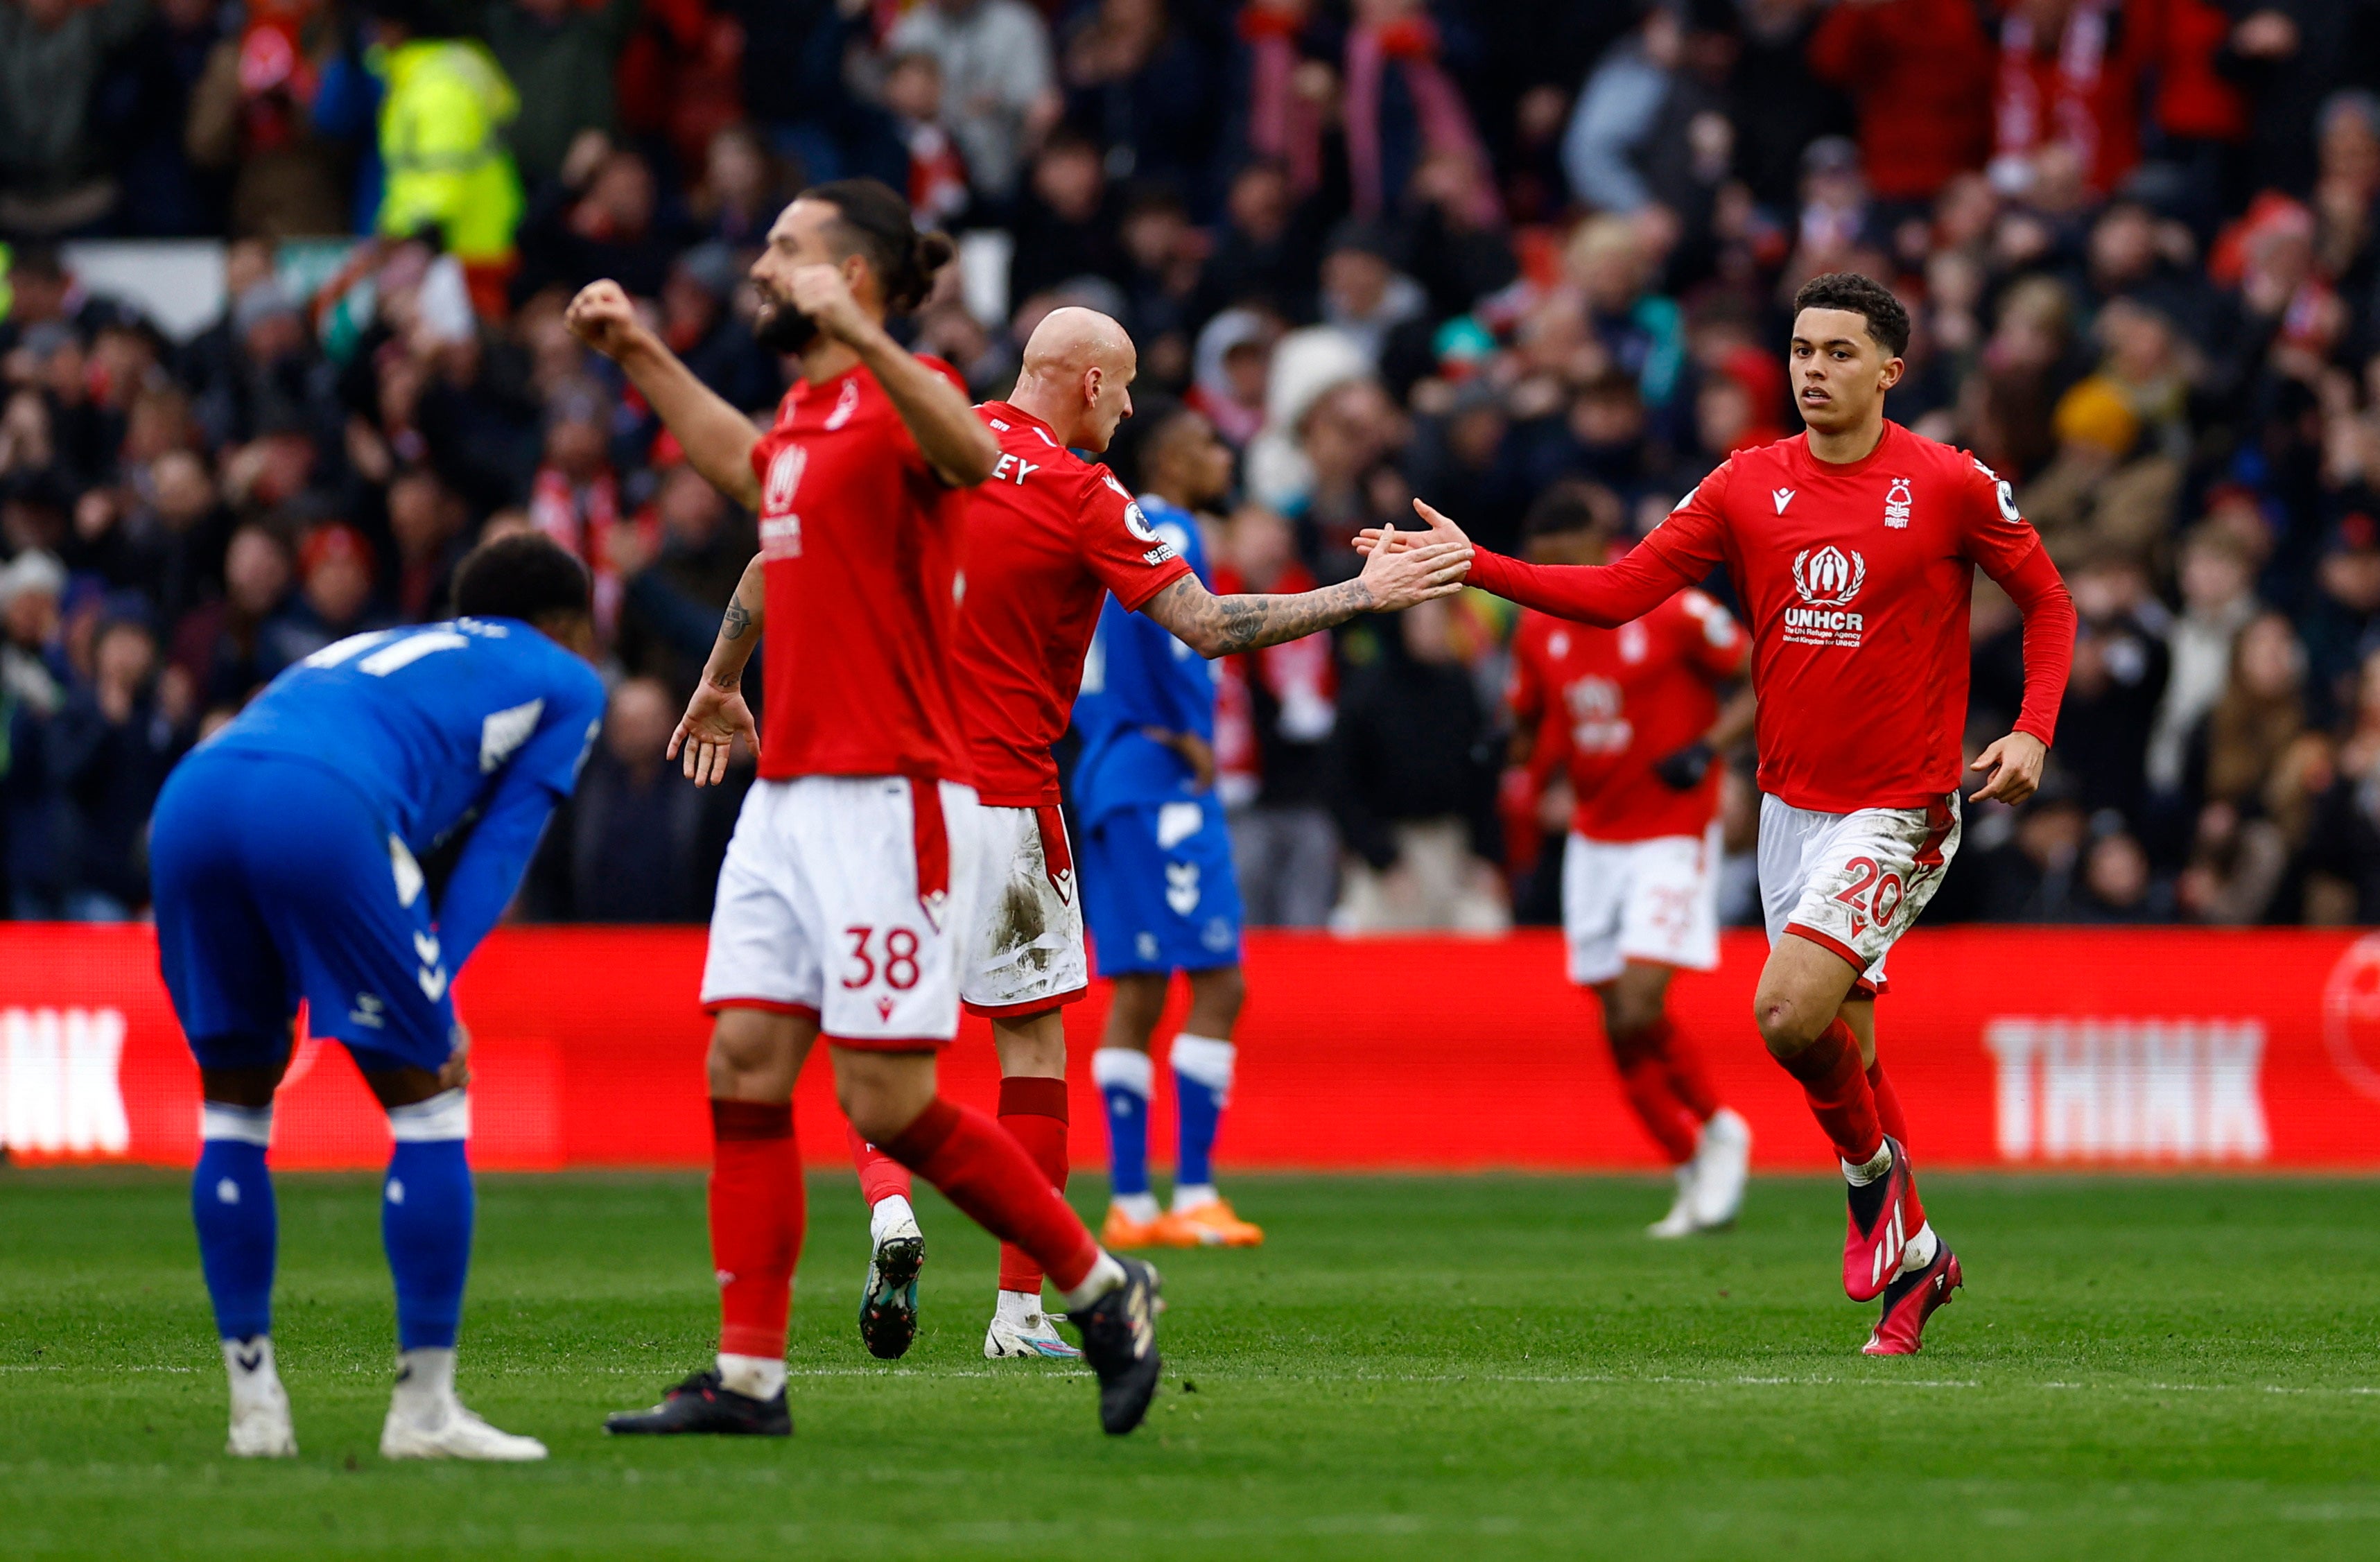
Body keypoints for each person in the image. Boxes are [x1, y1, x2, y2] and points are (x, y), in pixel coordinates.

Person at [1372, 272, 2078, 1356]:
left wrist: (2031, 727)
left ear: (1890, 371)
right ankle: (1919, 1263)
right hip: (1787, 809)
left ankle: (1868, 1194)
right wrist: (1476, 566)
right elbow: (1616, 590)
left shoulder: (1947, 485)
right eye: (1800, 349)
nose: (1812, 369)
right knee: (1846, 1049)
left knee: (1787, 1013)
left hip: (1900, 805)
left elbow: (2048, 601)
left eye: (1839, 352)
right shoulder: (1748, 483)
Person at [564, 179, 1163, 1437]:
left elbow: (956, 445)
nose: (765, 266)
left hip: (892, 794)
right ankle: (747, 1375)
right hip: (786, 793)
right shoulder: (811, 407)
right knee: (743, 1066)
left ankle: (1099, 1289)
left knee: (887, 1100)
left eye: (787, 250)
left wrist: (872, 333)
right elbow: (746, 475)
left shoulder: (913, 401)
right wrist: (639, 353)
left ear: (855, 275)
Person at [831, 334, 1465, 1360]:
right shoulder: (1085, 494)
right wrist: (1360, 596)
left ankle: (891, 1212)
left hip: (888, 792)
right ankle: (1018, 1312)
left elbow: (796, 553)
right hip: (1007, 801)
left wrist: (727, 680)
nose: (1127, 412)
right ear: (1089, 383)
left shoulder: (919, 440)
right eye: (1123, 390)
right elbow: (1208, 626)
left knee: (874, 1037)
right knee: (1032, 1047)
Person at [148, 532, 608, 1462]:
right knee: (432, 1099)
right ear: (565, 626)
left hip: (193, 796)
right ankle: (423, 1412)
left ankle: (255, 1409)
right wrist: (438, 980)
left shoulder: (385, 647)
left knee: (233, 1108)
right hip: (318, 806)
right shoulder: (566, 678)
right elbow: (500, 849)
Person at [1503, 483, 1757, 1238]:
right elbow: (1530, 722)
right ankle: (1689, 1159)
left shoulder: (1672, 608)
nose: (1559, 580)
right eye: (1545, 567)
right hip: (1593, 837)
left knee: (1641, 1001)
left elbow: (1761, 674)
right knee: (1616, 1021)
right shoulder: (1537, 628)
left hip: (1671, 831)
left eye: (1567, 563)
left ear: (1599, 546)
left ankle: (1720, 1126)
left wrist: (1708, 751)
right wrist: (1508, 752)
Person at [1072, 403, 1263, 1256]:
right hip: (1162, 783)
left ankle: (1132, 1202)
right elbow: (1180, 641)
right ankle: (1188, 1191)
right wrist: (1190, 733)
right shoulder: (1171, 527)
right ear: (1175, 458)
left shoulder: (1111, 527)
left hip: (1110, 776)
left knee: (1142, 992)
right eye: (1210, 445)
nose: (1225, 457)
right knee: (1220, 981)